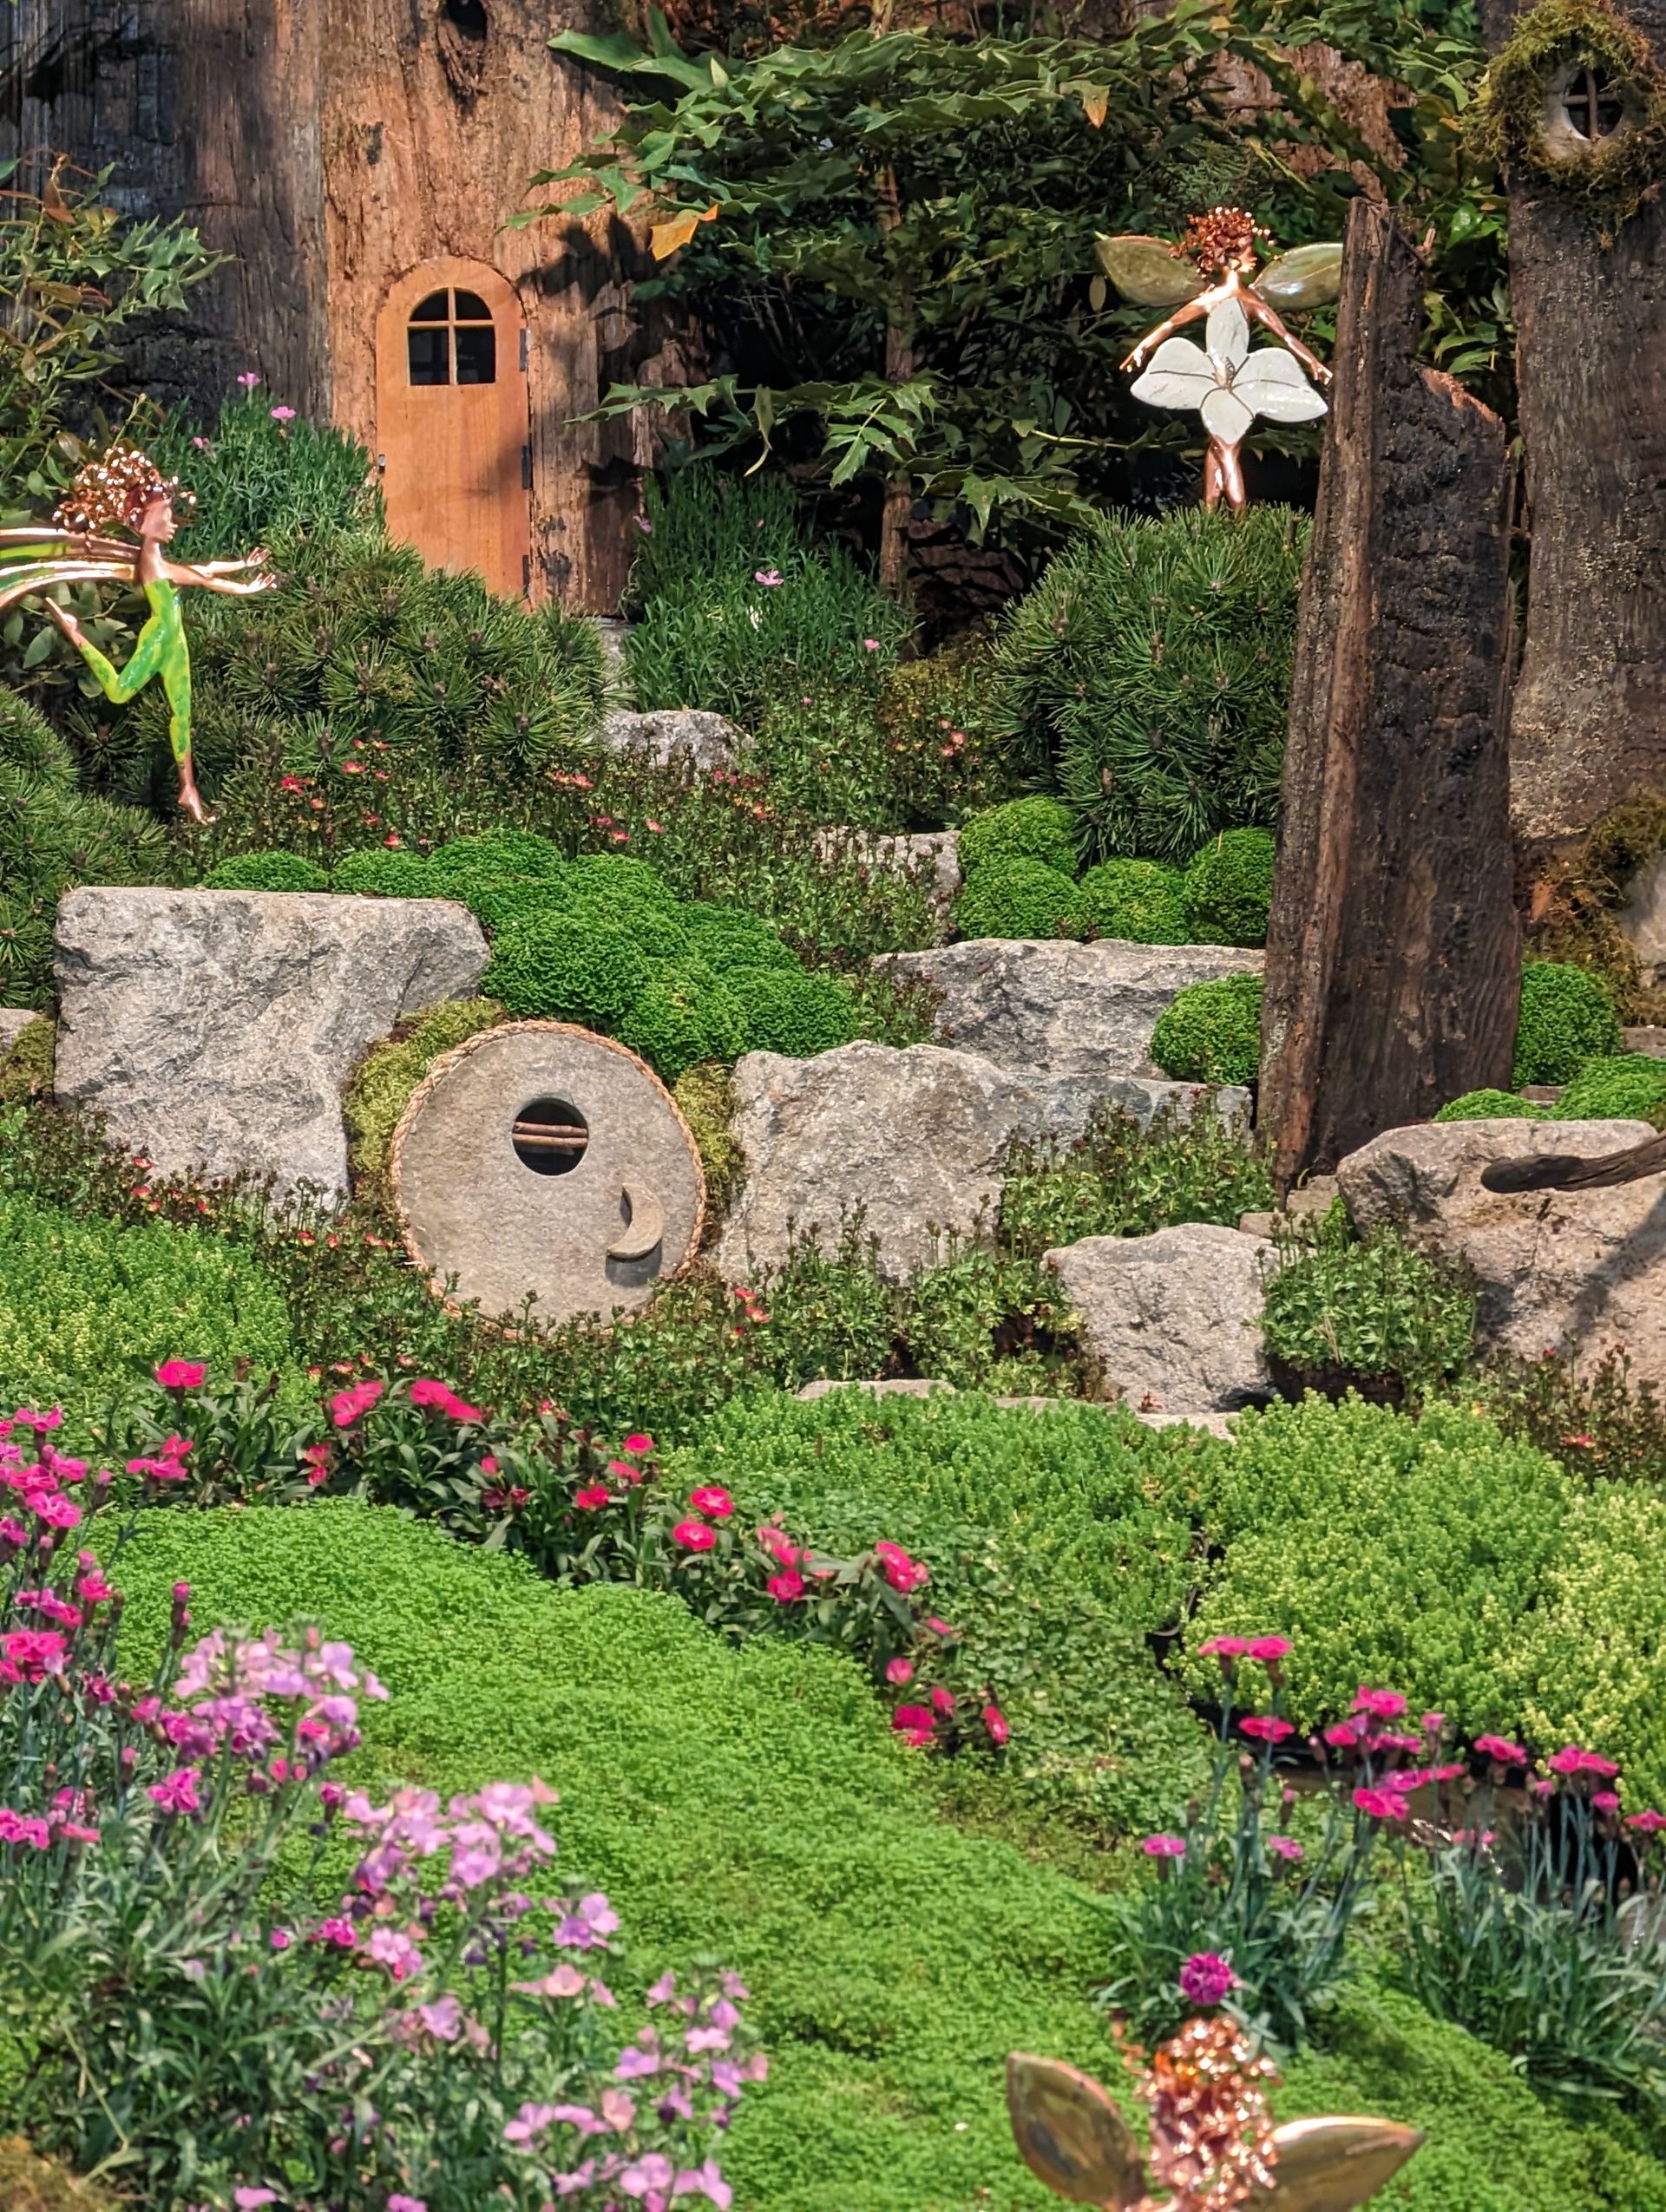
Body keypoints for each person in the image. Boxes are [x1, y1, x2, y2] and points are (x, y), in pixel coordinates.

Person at [0, 442, 276, 821]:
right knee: (117, 691)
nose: (171, 522)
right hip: (158, 640)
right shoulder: (149, 560)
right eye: (164, 515)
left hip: (175, 641)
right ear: (141, 523)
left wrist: (242, 563)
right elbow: (196, 577)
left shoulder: (157, 557)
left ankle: (189, 790)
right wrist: (244, 587)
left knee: (183, 715)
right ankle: (75, 629)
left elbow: (204, 567)